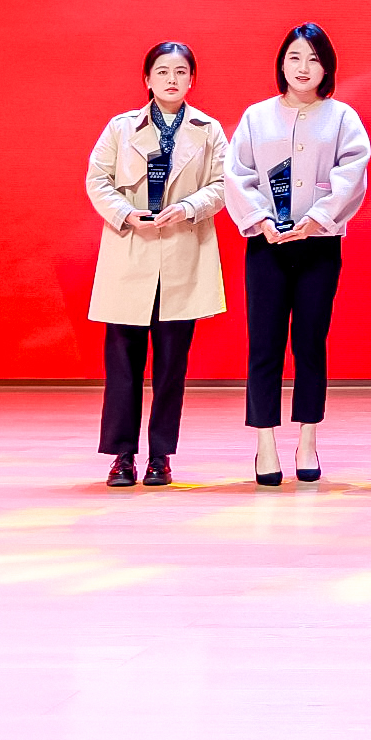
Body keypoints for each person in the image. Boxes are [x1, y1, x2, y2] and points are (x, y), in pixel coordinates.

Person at [223, 22, 370, 488]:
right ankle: (265, 442)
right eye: (294, 58)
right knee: (264, 344)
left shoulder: (342, 117)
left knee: (310, 343)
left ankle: (308, 438)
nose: (304, 68)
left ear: (327, 67)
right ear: (281, 64)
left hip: (319, 245)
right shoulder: (256, 117)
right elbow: (237, 174)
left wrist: (318, 219)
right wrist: (261, 221)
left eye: (313, 59)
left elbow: (352, 173)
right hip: (265, 244)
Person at [83, 41, 232, 488]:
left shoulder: (208, 130)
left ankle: (161, 456)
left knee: (171, 368)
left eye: (181, 72)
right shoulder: (121, 128)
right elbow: (97, 179)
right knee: (123, 365)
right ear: (147, 79)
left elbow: (224, 184)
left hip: (182, 254)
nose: (172, 79)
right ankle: (122, 456)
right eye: (163, 71)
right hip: (131, 252)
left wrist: (187, 208)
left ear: (192, 80)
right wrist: (126, 213)